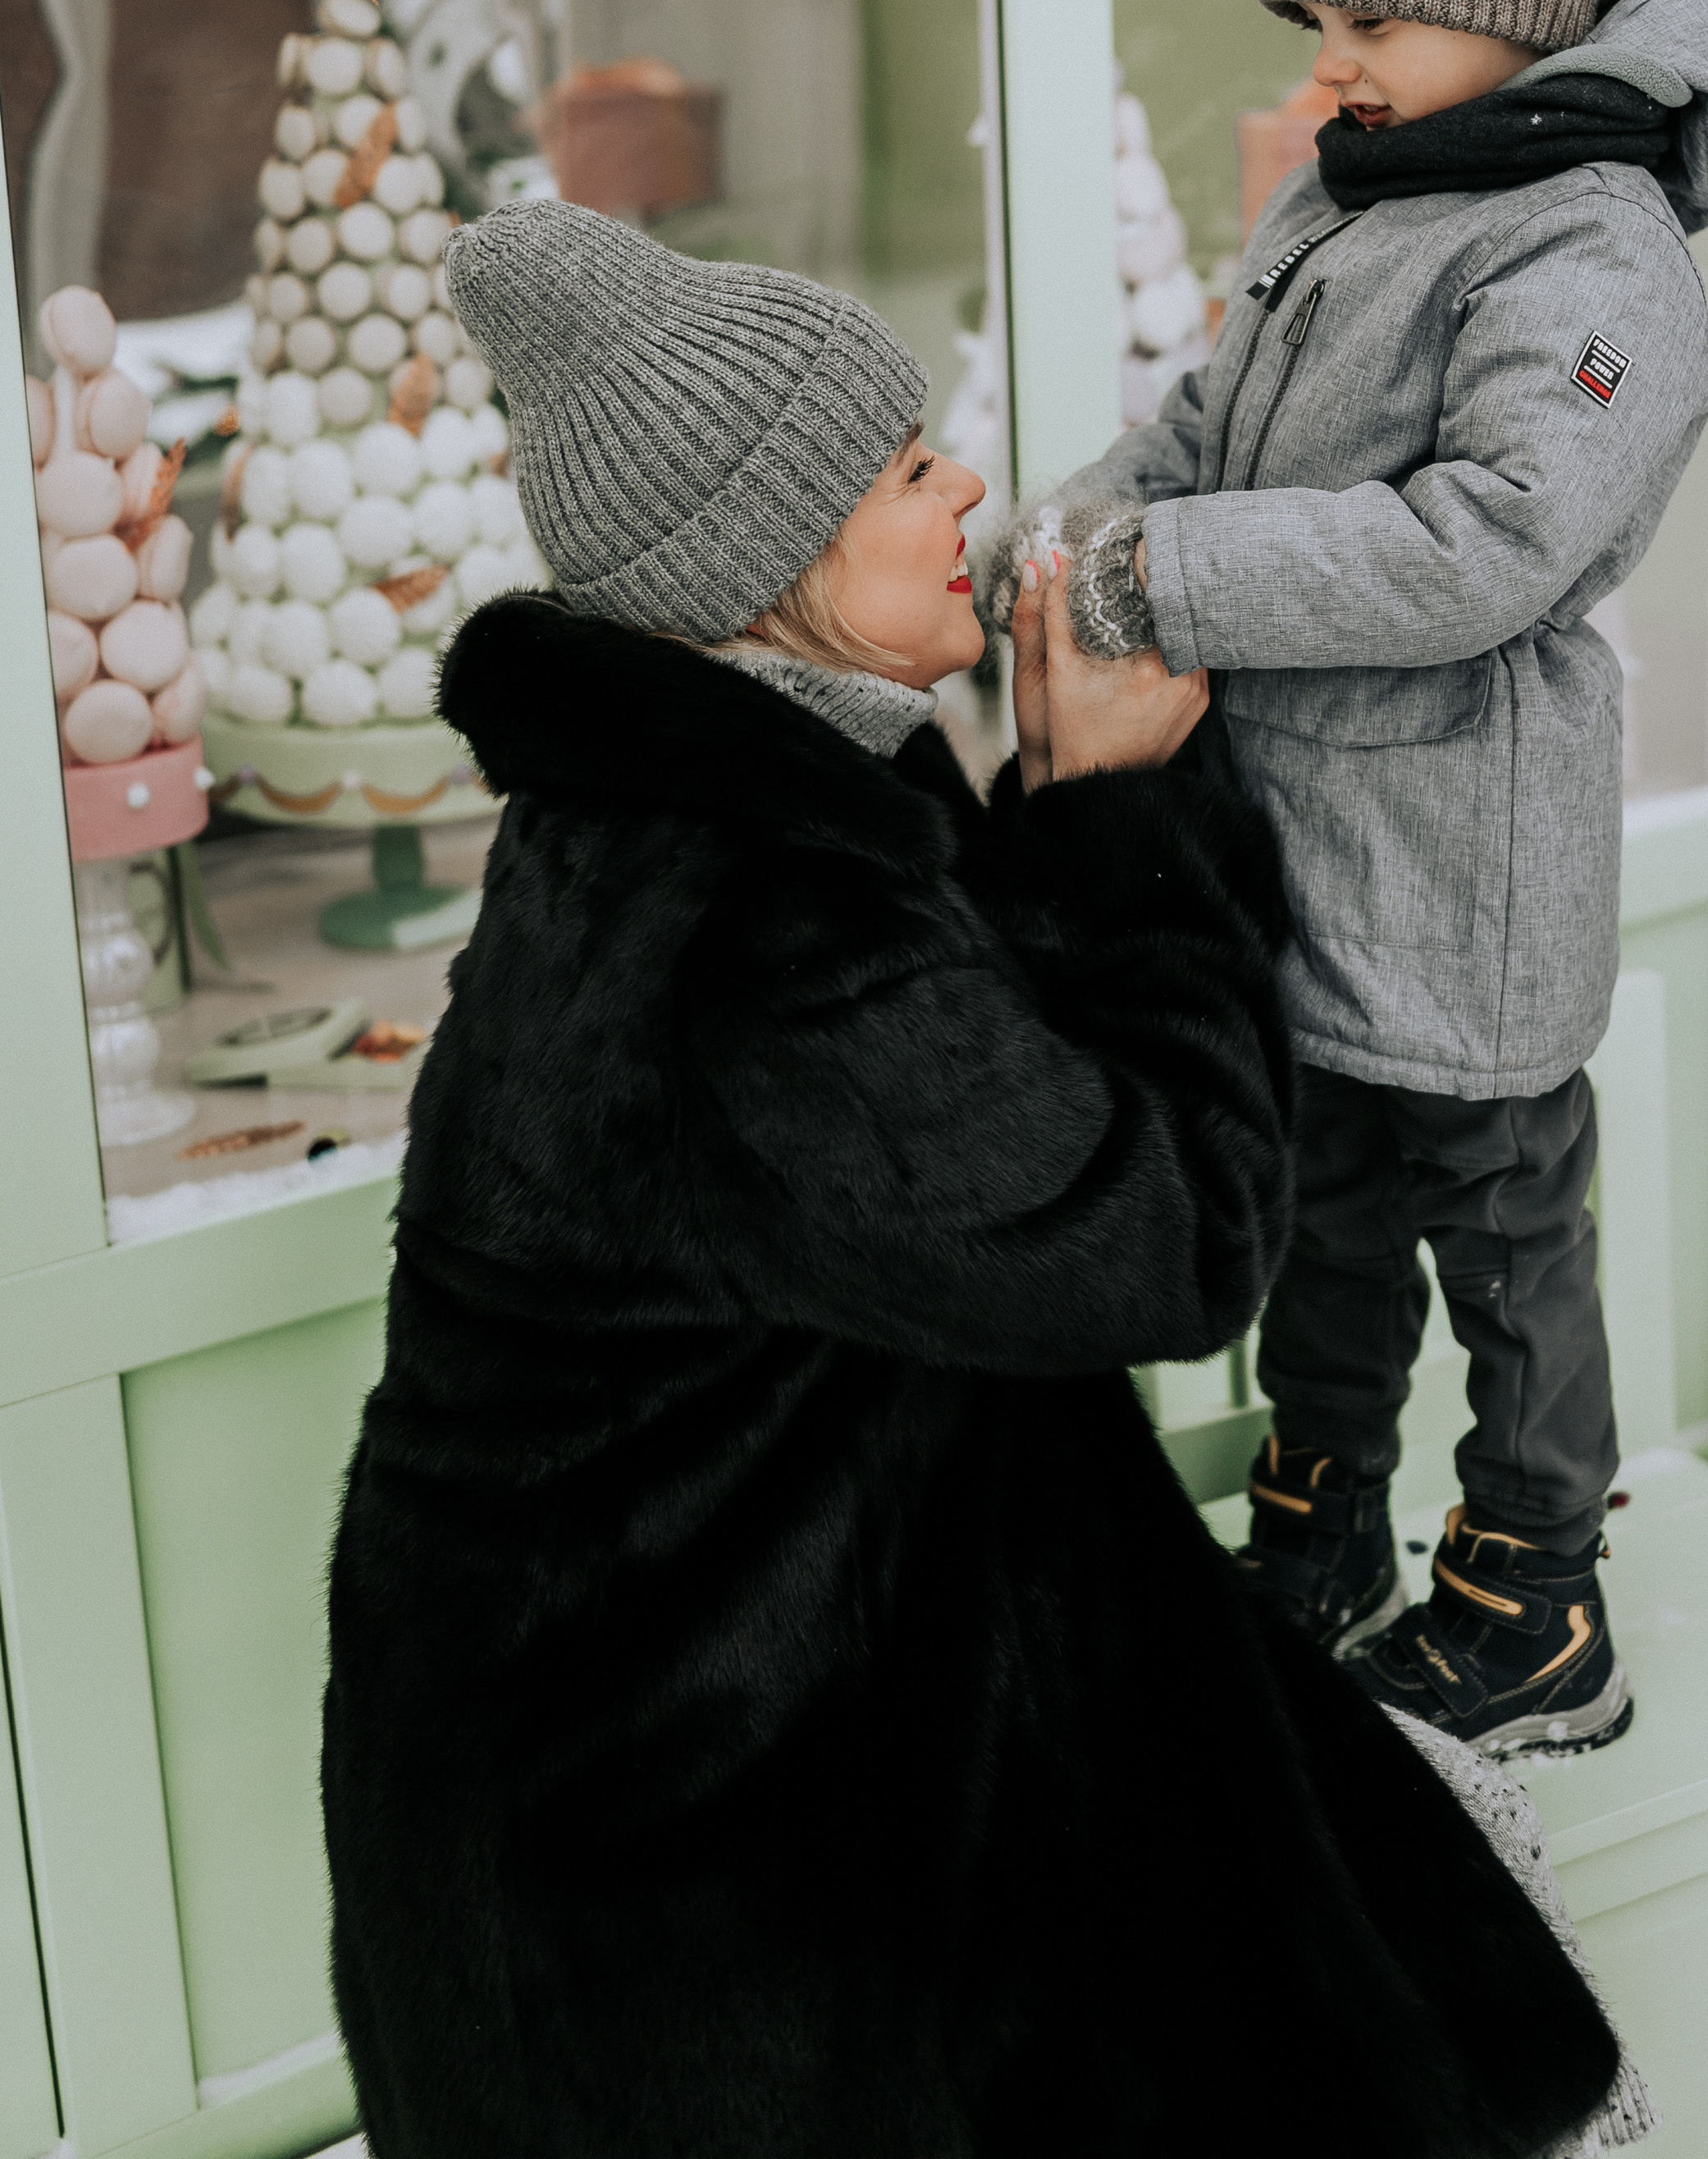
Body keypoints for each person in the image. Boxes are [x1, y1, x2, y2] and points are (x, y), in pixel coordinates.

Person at [321, 199, 1628, 2159]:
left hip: (731, 1731)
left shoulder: (736, 796)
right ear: (763, 560)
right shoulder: (751, 932)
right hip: (679, 1874)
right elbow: (1164, 1241)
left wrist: (1047, 805)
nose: (971, 490)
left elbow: (969, 1122)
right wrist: (1114, 815)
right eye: (905, 464)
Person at [1027, 0, 1708, 1758]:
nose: (1328, 68)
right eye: (1311, 27)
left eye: (1367, 21)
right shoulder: (1361, 180)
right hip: (1305, 856)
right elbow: (1204, 426)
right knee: (1318, 1216)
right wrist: (1068, 537)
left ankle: (1532, 1592)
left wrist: (1165, 581)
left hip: (1464, 870)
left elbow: (1488, 539)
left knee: (1504, 1240)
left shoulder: (1591, 249)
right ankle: (1317, 1513)